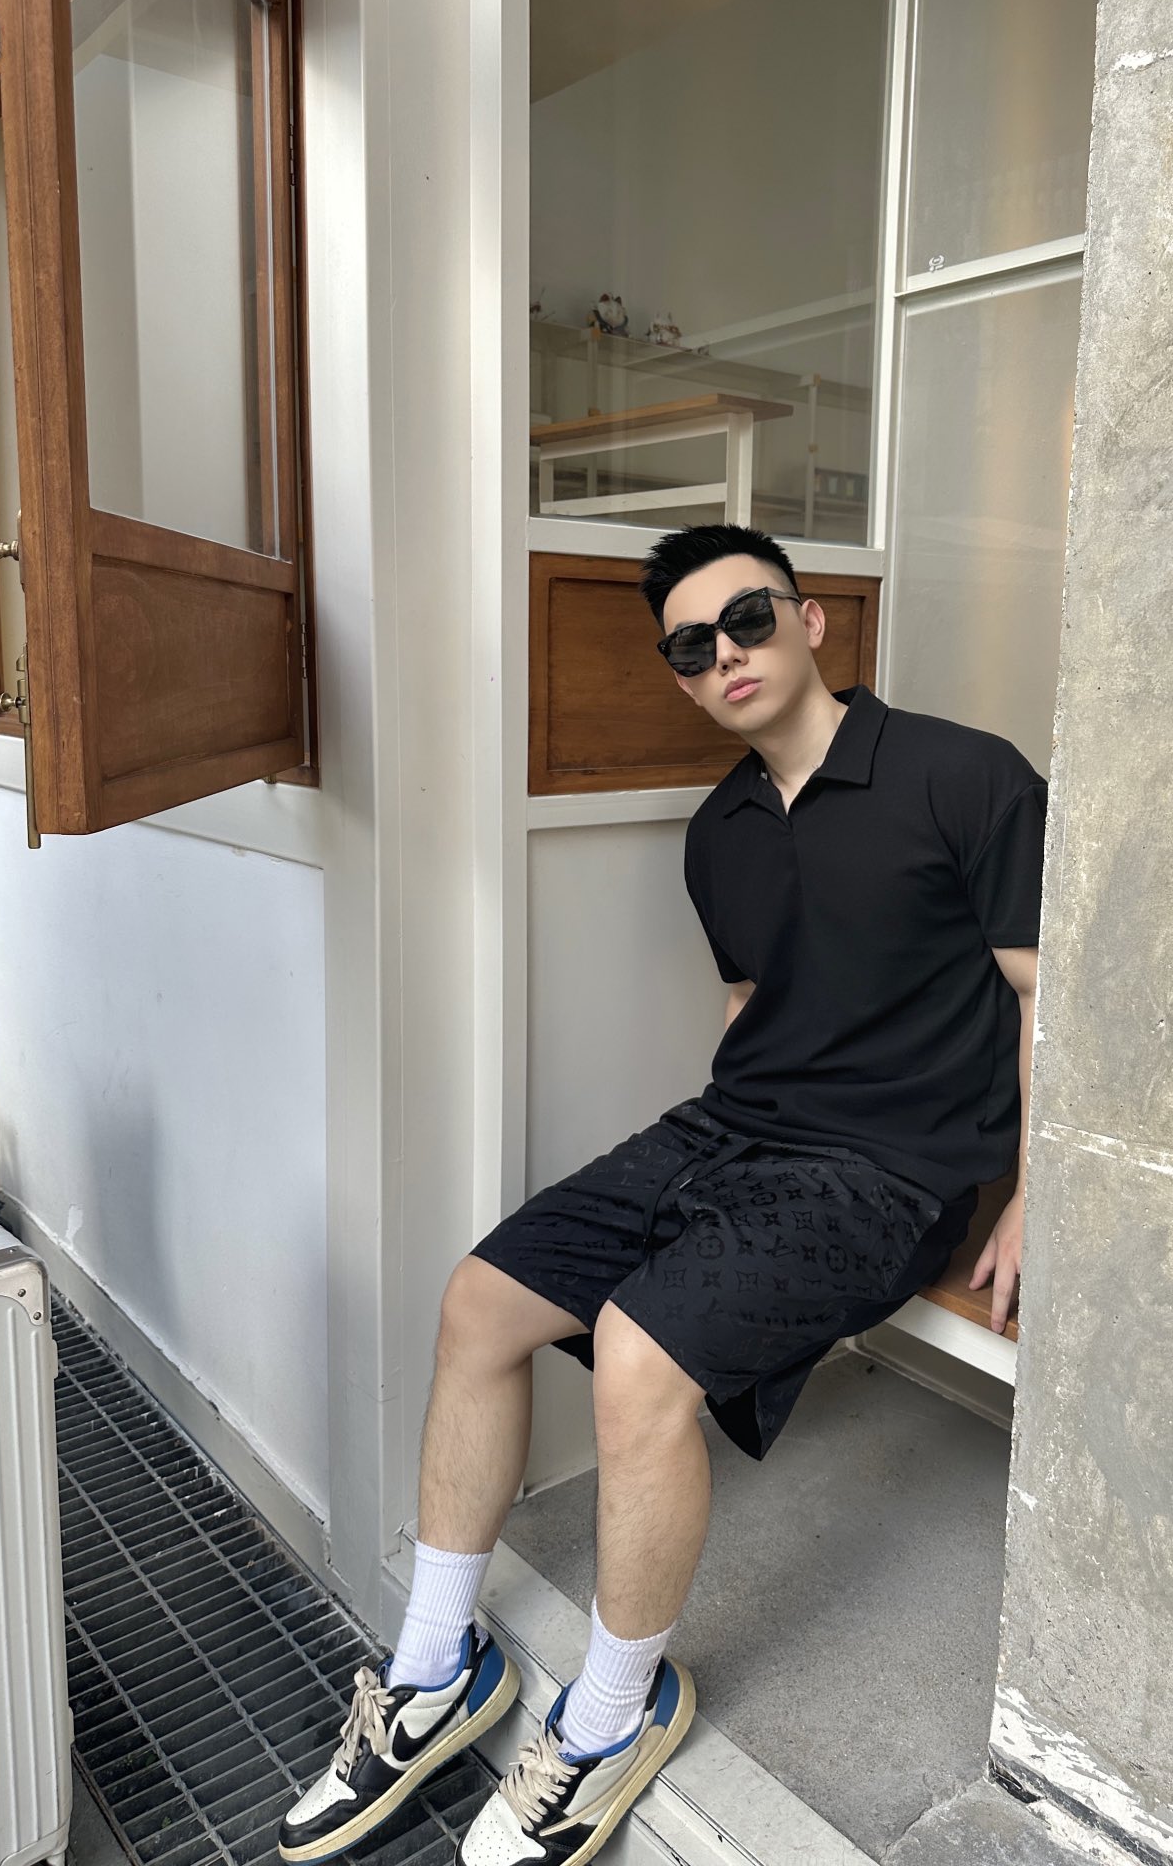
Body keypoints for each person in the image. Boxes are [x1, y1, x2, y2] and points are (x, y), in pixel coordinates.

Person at [278, 523, 1045, 1866]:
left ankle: (613, 1715)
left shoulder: (963, 774)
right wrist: (707, 1181)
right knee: (478, 1301)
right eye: (692, 647)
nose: (726, 654)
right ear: (682, 680)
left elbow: (1047, 997)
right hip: (732, 1133)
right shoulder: (721, 831)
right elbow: (752, 1009)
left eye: (748, 618)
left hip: (895, 1167)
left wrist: (1040, 1192)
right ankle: (435, 1666)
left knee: (639, 1357)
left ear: (811, 620)